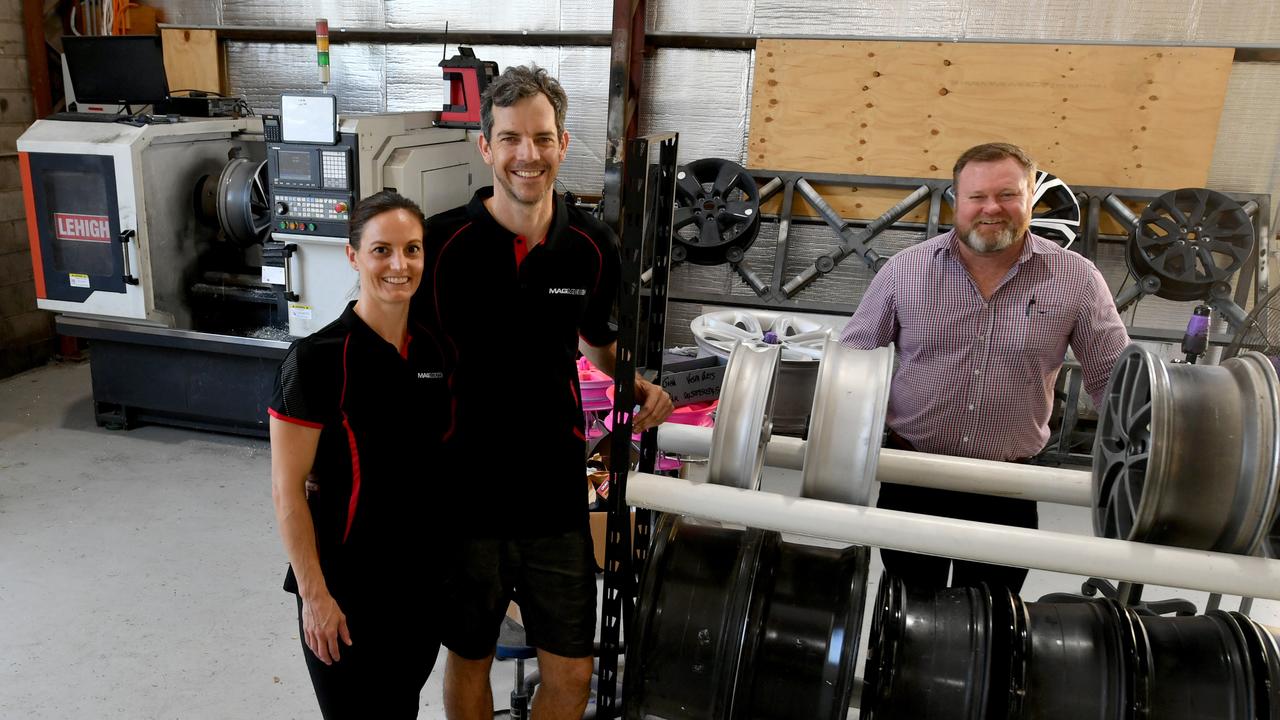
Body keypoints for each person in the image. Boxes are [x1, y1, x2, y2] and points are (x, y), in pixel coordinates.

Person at [412, 65, 673, 720]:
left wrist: (631, 381)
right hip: (465, 495)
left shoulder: (591, 244)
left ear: (561, 142)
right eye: (510, 139)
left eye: (541, 137)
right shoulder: (439, 245)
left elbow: (594, 336)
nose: (527, 155)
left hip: (554, 495)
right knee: (469, 658)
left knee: (572, 674)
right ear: (486, 147)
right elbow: (393, 357)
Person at [840, 142, 1129, 593]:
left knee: (991, 623)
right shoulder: (905, 270)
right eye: (977, 197)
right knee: (906, 611)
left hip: (1008, 484)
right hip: (914, 477)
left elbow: (1114, 380)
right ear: (958, 201)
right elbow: (853, 363)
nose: (991, 209)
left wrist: (1141, 456)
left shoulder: (1077, 278)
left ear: (1030, 198)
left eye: (1008, 195)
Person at [269, 191, 449, 719]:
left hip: (417, 587)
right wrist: (315, 598)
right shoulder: (317, 360)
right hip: (345, 593)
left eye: (412, 250)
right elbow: (287, 491)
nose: (400, 265)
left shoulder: (432, 352)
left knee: (401, 711)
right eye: (381, 250)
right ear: (353, 255)